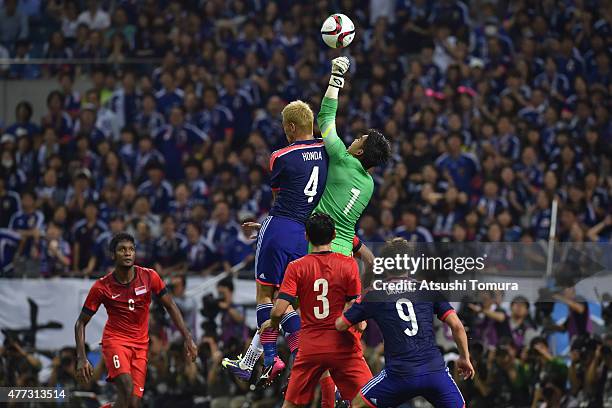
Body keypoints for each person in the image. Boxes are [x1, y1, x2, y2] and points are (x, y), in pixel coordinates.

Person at [222, 98, 328, 384]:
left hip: (279, 226)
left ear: (291, 127)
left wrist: (269, 226)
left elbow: (280, 198)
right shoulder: (326, 149)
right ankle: (296, 352)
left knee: (265, 295)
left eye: (285, 128)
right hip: (303, 235)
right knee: (287, 298)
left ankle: (271, 357)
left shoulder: (280, 156)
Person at [337, 238, 474, 407]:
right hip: (435, 373)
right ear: (410, 265)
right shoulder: (427, 289)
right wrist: (464, 357)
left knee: (355, 404)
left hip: (399, 376)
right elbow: (457, 326)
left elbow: (341, 325)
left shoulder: (374, 295)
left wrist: (352, 299)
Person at [259, 213, 372, 407]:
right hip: (343, 345)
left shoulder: (296, 267)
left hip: (310, 347)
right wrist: (361, 322)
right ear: (335, 235)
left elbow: (278, 310)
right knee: (369, 397)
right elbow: (355, 305)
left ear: (306, 237)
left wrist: (273, 322)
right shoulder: (349, 264)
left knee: (290, 405)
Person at [74, 232, 197, 408]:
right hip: (116, 342)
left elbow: (170, 306)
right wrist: (81, 357)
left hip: (140, 346)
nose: (127, 253)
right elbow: (80, 323)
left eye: (131, 249)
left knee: (132, 402)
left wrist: (188, 337)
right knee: (126, 386)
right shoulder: (102, 287)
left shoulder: (149, 277)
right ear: (113, 255)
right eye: (122, 249)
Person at [313, 56, 391, 256]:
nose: (354, 140)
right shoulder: (369, 184)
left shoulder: (341, 158)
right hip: (346, 254)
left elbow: (325, 118)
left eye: (359, 139)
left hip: (320, 246)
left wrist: (336, 77)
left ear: (359, 152)